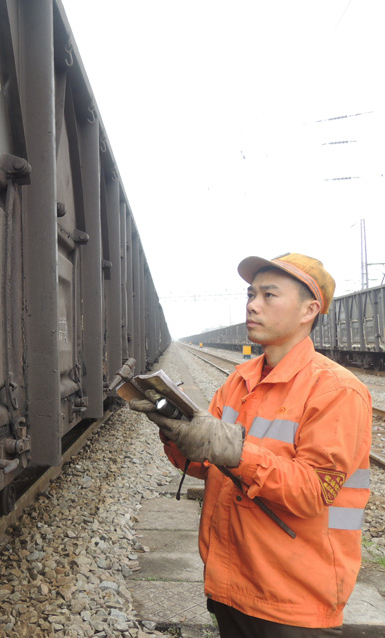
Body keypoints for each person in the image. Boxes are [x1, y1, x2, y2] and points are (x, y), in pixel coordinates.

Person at [129, 253, 372, 637]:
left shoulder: (337, 390)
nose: (252, 305)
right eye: (250, 294)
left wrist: (232, 449)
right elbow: (206, 467)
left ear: (309, 310)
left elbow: (313, 490)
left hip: (292, 598)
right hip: (231, 582)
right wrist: (178, 435)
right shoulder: (240, 380)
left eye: (269, 295)